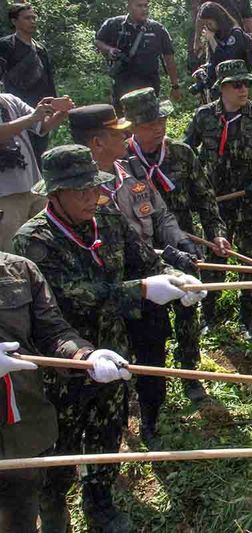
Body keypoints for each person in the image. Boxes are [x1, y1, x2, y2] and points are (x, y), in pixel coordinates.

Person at [12, 144, 195, 533]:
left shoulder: (108, 219)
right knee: (61, 444)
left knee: (107, 432)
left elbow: (144, 258)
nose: (90, 198)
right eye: (79, 191)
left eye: (93, 188)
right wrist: (143, 290)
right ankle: (55, 505)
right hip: (63, 361)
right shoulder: (34, 241)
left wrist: (177, 281)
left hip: (112, 350)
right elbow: (77, 292)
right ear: (54, 194)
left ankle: (100, 503)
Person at [69, 103, 205, 448]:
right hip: (101, 295)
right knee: (106, 367)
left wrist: (180, 244)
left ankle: (150, 418)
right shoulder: (67, 193)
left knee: (151, 354)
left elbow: (160, 216)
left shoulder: (131, 170)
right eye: (118, 133)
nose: (127, 136)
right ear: (97, 143)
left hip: (149, 284)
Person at [0, 253, 131, 533]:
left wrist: (86, 357)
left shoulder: (20, 270)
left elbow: (53, 331)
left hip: (23, 429)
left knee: (21, 514)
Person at [121, 87, 231, 402]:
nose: (158, 128)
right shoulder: (121, 161)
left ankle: (190, 374)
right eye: (148, 124)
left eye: (162, 120)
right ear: (131, 128)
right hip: (139, 254)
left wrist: (215, 232)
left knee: (187, 312)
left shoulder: (182, 153)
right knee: (145, 320)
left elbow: (206, 200)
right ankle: (145, 384)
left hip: (182, 247)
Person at [185, 59, 252, 341]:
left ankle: (248, 318)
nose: (244, 90)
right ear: (222, 88)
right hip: (216, 205)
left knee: (251, 261)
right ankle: (209, 316)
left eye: (247, 84)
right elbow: (186, 153)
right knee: (215, 260)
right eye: (237, 85)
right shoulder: (204, 117)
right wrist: (193, 190)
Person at [0, 93, 72, 252]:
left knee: (52, 238)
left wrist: (61, 112)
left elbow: (42, 126)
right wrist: (32, 117)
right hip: (4, 196)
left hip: (33, 187)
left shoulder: (9, 100)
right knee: (12, 252)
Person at [94, 0, 181, 109]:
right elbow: (98, 41)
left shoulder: (158, 29)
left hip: (149, 87)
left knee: (148, 122)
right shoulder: (114, 25)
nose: (144, 9)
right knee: (123, 123)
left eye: (146, 6)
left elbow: (169, 58)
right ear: (129, 6)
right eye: (139, 6)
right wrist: (109, 50)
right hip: (122, 85)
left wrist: (175, 86)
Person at [0, 3, 57, 164]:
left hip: (42, 109)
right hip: (17, 111)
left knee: (40, 154)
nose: (32, 21)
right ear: (14, 21)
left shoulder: (40, 49)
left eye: (34, 18)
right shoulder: (6, 46)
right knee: (22, 158)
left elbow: (48, 80)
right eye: (27, 18)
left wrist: (55, 104)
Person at [194, 2, 252, 92]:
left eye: (209, 23)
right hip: (219, 85)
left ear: (217, 19)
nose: (208, 27)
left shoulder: (235, 33)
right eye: (205, 25)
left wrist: (212, 41)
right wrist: (205, 69)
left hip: (236, 83)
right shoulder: (215, 35)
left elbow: (227, 62)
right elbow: (213, 61)